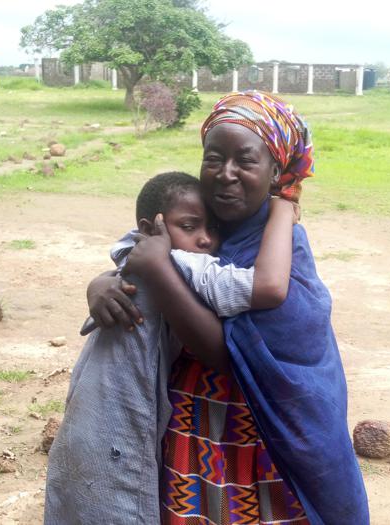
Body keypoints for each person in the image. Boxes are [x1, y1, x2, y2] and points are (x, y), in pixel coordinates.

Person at [95, 91, 370, 524]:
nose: (226, 174)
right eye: (213, 158)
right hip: (192, 425)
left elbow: (225, 353)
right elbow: (141, 253)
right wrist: (102, 283)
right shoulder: (203, 222)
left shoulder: (282, 246)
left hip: (265, 436)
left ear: (275, 170)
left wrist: (159, 273)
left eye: (245, 160)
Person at [45, 171, 298, 524]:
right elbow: (267, 287)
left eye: (213, 228)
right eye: (190, 226)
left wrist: (99, 282)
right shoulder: (179, 263)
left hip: (85, 421)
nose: (205, 239)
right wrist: (283, 211)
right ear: (151, 229)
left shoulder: (135, 251)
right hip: (118, 436)